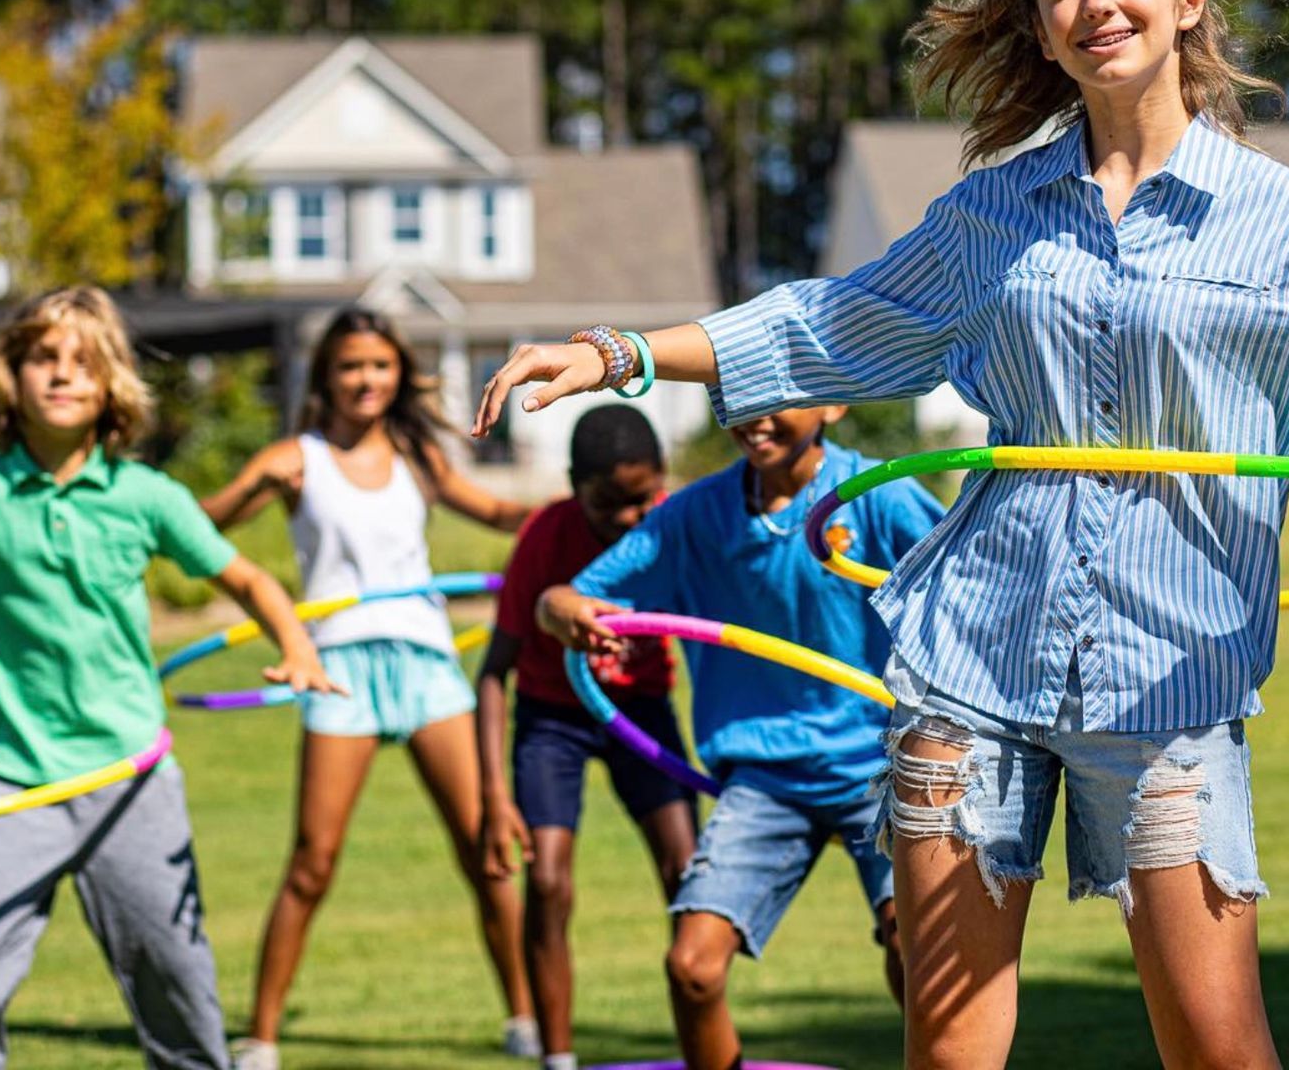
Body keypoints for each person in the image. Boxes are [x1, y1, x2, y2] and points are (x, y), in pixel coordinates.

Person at [471, 0, 1289, 1070]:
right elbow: (834, 324)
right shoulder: (995, 211)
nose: (1097, 2)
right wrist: (618, 351)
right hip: (972, 658)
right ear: (1041, 26)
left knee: (1218, 1044)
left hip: (1169, 680)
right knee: (950, 1051)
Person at [0, 286, 341, 1070]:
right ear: (10, 375)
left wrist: (297, 643)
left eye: (83, 362)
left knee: (176, 980)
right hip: (11, 775)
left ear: (112, 383)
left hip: (130, 775)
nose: (62, 375)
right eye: (44, 358)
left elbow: (247, 579)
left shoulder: (146, 497)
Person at [538, 406, 945, 1070]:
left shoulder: (880, 494)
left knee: (914, 946)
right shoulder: (694, 514)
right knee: (692, 968)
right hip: (764, 778)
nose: (754, 418)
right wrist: (563, 610)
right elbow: (569, 597)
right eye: (737, 398)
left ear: (832, 403)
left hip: (885, 765)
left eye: (778, 395)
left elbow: (977, 587)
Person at [201, 308, 538, 1070]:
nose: (366, 380)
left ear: (397, 374)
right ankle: (259, 1039)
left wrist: (578, 515)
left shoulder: (418, 456)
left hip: (424, 661)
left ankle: (526, 1017)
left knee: (485, 850)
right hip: (338, 666)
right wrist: (255, 478)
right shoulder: (296, 459)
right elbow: (199, 531)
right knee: (312, 862)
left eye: (380, 366)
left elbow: (494, 511)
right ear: (326, 375)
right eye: (351, 366)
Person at [476, 404, 698, 1070]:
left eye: (643, 499)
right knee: (546, 880)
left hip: (642, 711)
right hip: (553, 719)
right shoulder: (545, 536)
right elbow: (492, 674)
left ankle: (701, 1039)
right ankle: (558, 1056)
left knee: (690, 875)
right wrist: (494, 797)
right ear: (576, 485)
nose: (630, 518)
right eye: (609, 504)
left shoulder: (673, 525)